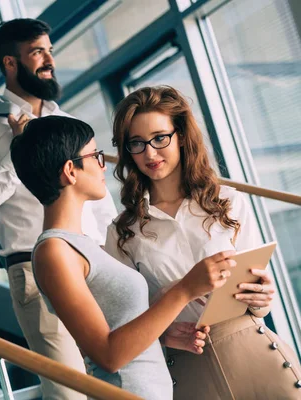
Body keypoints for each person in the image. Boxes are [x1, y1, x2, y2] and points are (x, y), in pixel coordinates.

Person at [10, 115, 239, 399]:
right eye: (95, 156)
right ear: (70, 170)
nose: (103, 165)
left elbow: (118, 329)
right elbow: (107, 355)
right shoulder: (54, 252)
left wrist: (164, 336)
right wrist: (184, 290)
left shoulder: (82, 245)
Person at [0, 18, 117, 399]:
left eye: (50, 51)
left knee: (118, 379)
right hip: (34, 268)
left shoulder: (69, 123)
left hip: (95, 262)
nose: (49, 60)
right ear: (10, 63)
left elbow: (103, 207)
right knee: (69, 392)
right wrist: (17, 153)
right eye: (37, 52)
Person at [105, 85, 301, 398]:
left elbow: (259, 300)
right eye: (137, 144)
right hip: (189, 370)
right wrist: (164, 334)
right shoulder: (122, 232)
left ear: (180, 135)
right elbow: (120, 324)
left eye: (159, 138)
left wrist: (263, 298)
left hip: (257, 356)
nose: (150, 153)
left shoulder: (230, 202)